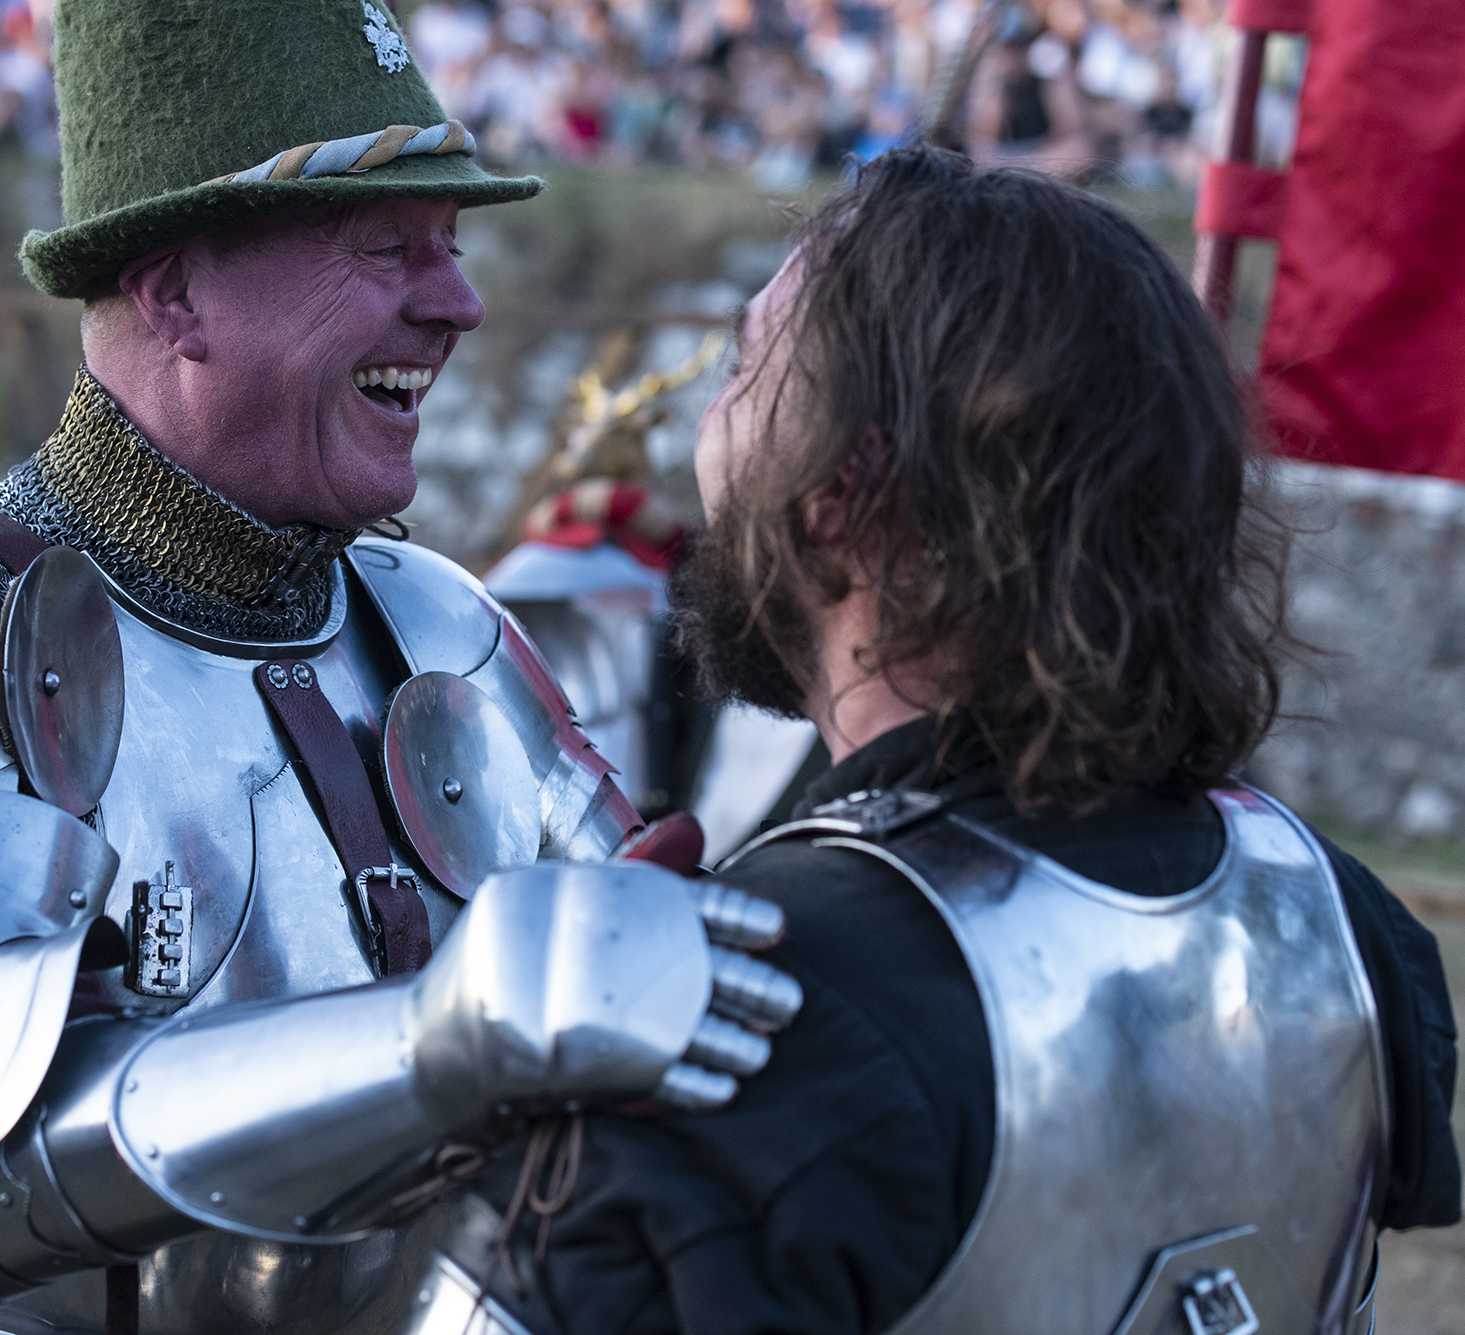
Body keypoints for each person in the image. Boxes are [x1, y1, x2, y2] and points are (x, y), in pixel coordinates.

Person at [0, 4, 803, 1334]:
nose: (458, 302)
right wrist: (445, 1033)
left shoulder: (438, 625)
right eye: (389, 249)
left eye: (450, 249)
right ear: (176, 293)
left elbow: (643, 980)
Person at [426, 145, 1461, 1335]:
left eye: (742, 368)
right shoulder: (1340, 923)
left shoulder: (742, 1023)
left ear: (839, 491)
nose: (702, 438)